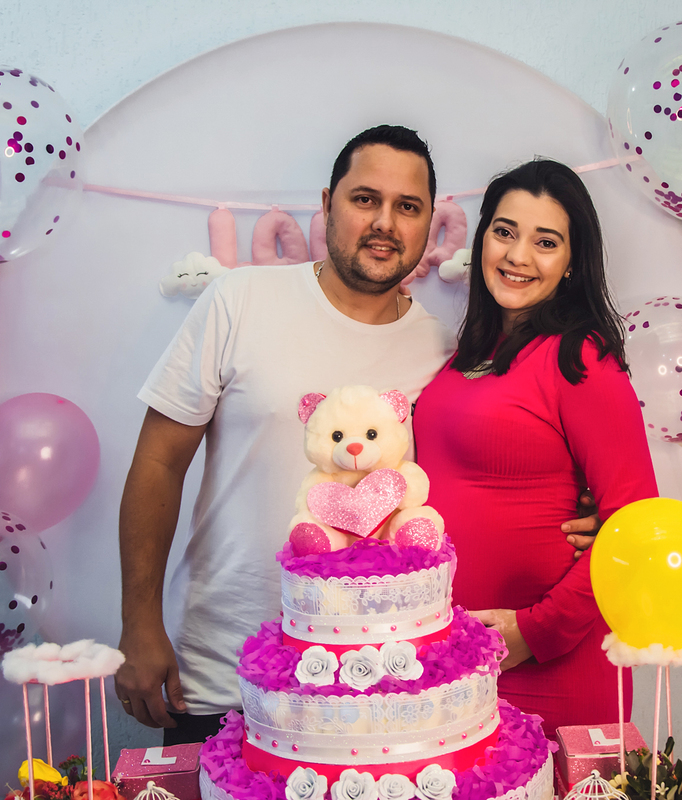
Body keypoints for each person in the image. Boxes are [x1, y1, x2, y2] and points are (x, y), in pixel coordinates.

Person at [115, 127, 601, 744]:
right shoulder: (238, 301)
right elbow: (158, 462)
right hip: (220, 675)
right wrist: (139, 622)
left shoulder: (444, 353)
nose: (385, 224)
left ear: (429, 224)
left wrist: (583, 511)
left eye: (408, 207)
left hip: (374, 690)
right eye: (365, 199)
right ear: (327, 203)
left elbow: (473, 482)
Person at [412, 159, 659, 737]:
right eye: (504, 231)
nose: (518, 256)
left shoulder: (581, 357)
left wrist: (536, 630)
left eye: (545, 242)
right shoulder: (468, 351)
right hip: (454, 663)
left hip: (549, 663)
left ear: (572, 263)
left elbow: (637, 523)